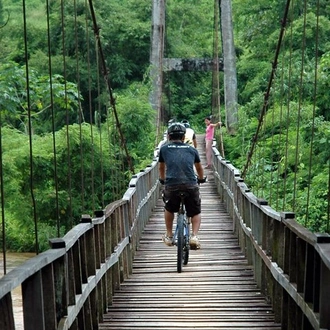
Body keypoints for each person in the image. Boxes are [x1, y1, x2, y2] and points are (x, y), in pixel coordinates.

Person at [158, 122, 206, 249]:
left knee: (168, 208)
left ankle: (169, 235)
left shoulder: (163, 149)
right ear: (184, 137)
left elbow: (161, 168)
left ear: (168, 136)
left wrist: (163, 180)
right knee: (195, 211)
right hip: (190, 184)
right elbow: (199, 168)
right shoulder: (192, 149)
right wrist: (201, 179)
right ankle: (194, 236)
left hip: (172, 185)